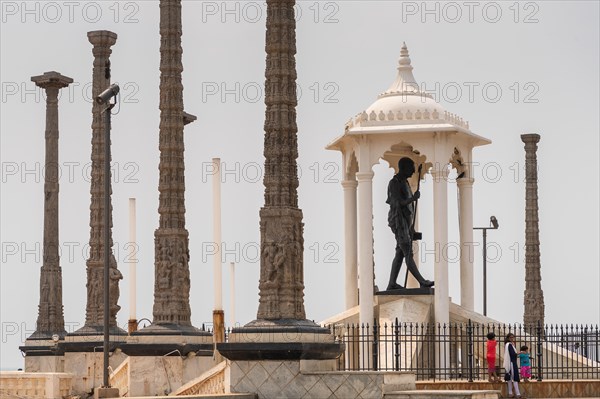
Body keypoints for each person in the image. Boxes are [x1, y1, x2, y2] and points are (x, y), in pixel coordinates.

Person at [386, 157, 434, 290]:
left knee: (400, 253)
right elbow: (397, 203)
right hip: (398, 222)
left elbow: (408, 209)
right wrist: (412, 198)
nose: (413, 171)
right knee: (407, 253)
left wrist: (411, 226)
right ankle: (422, 281)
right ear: (404, 168)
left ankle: (392, 283)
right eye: (411, 168)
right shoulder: (394, 183)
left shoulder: (405, 182)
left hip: (406, 224)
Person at [503, 333, 524, 398]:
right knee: (514, 378)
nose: (512, 339)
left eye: (513, 337)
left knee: (509, 379)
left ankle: (510, 393)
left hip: (509, 363)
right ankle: (518, 394)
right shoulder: (509, 345)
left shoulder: (507, 345)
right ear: (508, 338)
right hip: (512, 363)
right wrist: (519, 352)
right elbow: (513, 354)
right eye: (511, 337)